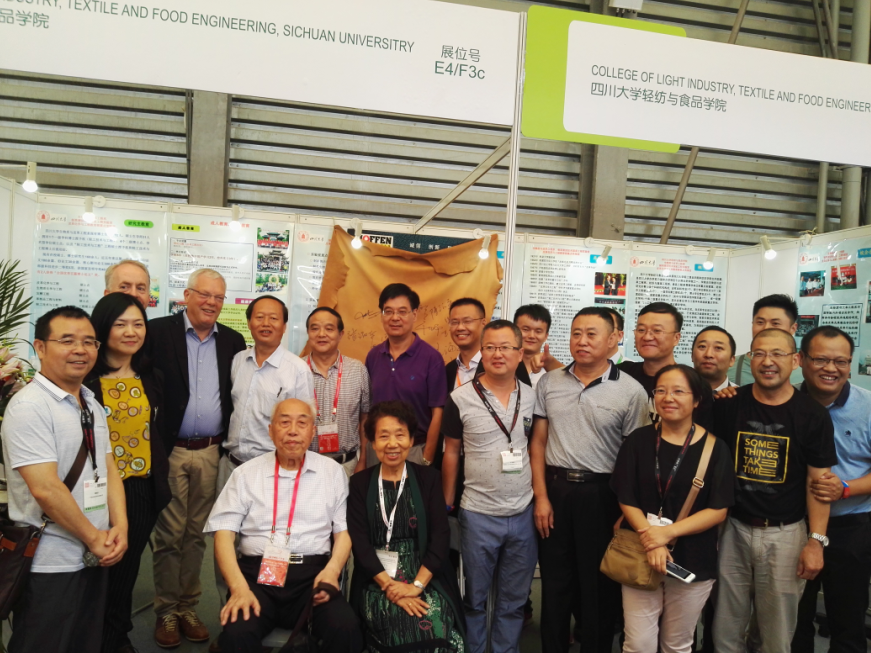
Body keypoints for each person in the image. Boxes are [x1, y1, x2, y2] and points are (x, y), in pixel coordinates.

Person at [1, 306, 127, 653]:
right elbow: (45, 489)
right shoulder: (30, 406)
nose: (80, 350)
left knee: (85, 642)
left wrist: (119, 526)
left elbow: (109, 468)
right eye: (67, 341)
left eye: (89, 342)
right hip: (50, 559)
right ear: (40, 347)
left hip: (95, 551)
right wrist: (95, 538)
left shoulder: (90, 401)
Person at [531, 306, 650, 653]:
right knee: (555, 583)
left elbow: (634, 458)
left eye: (591, 334)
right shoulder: (550, 382)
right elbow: (538, 442)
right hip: (555, 491)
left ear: (613, 340)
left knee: (598, 586)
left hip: (603, 494)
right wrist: (541, 497)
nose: (581, 341)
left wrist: (625, 509)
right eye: (576, 333)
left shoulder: (631, 391)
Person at [712, 328, 837, 653]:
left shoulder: (813, 414)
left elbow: (818, 485)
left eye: (778, 354)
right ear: (750, 359)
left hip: (786, 535)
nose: (768, 361)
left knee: (776, 637)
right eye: (759, 354)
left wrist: (816, 542)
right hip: (732, 529)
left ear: (795, 360)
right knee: (725, 630)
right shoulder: (728, 405)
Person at [206, 399, 362, 653]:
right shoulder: (246, 474)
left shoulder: (332, 472)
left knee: (345, 629)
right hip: (257, 578)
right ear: (271, 430)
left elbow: (343, 533)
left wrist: (332, 571)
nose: (293, 431)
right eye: (284, 422)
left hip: (312, 577)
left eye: (302, 423)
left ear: (313, 431)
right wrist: (238, 588)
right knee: (237, 635)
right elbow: (223, 534)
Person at [147, 268, 247, 647]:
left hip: (210, 452)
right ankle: (166, 611)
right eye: (204, 294)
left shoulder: (233, 341)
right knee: (169, 534)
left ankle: (188, 606)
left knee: (196, 536)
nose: (211, 303)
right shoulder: (158, 332)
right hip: (171, 450)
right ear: (187, 296)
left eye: (218, 297)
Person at [611, 364, 734, 653]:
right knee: (638, 643)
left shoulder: (716, 449)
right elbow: (626, 496)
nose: (668, 398)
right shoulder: (638, 441)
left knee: (677, 644)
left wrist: (665, 535)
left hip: (692, 558)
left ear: (697, 400)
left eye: (679, 391)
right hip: (639, 551)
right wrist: (651, 539)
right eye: (661, 391)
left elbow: (718, 509)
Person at [442, 320, 537, 653]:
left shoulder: (532, 396)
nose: (498, 354)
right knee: (475, 598)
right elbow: (451, 452)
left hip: (523, 513)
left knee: (513, 599)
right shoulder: (460, 398)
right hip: (478, 513)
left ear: (520, 353)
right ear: (481, 352)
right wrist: (447, 503)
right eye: (491, 347)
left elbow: (537, 447)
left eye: (506, 347)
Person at [85, 293, 171, 653]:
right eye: (121, 324)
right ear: (103, 327)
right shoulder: (84, 377)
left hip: (138, 491)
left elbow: (159, 432)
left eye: (138, 324)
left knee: (124, 570)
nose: (131, 331)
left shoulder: (152, 377)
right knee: (88, 570)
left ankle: (115, 639)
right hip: (91, 491)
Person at [348, 401, 465, 652]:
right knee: (394, 626)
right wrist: (391, 588)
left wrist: (415, 587)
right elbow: (360, 545)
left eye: (400, 435)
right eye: (383, 436)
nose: (392, 444)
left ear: (411, 440)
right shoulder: (359, 484)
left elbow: (440, 537)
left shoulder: (429, 478)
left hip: (424, 577)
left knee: (437, 626)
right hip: (378, 580)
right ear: (372, 442)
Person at [792, 326, 871, 653]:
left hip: (851, 525)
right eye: (821, 359)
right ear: (801, 360)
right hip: (794, 524)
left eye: (841, 361)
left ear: (850, 364)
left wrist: (846, 488)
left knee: (848, 620)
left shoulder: (868, 405)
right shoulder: (785, 401)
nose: (831, 368)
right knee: (794, 619)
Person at [365, 283, 446, 466]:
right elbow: (367, 407)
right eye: (388, 311)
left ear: (414, 314)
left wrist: (427, 456)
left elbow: (437, 413)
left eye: (402, 311)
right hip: (378, 450)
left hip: (415, 450)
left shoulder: (431, 358)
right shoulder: (374, 356)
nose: (395, 318)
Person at [620, 302, 713, 429]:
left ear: (676, 338)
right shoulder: (622, 373)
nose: (647, 337)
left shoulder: (695, 383)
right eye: (641, 330)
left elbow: (702, 433)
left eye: (657, 330)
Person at [303, 306, 370, 475]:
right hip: (305, 465)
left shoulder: (357, 370)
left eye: (329, 328)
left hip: (347, 465)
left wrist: (363, 460)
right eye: (315, 328)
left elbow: (365, 418)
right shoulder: (296, 370)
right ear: (308, 333)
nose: (321, 334)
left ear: (341, 334)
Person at [733, 294, 799, 386]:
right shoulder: (731, 366)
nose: (766, 328)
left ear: (793, 328)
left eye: (775, 323)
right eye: (760, 322)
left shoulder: (805, 372)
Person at [513, 304, 561, 389]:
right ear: (514, 331)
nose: (531, 336)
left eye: (538, 331)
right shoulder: (504, 364)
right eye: (525, 329)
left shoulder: (552, 370)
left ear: (546, 336)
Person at [692, 325, 737, 392]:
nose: (708, 354)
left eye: (718, 348)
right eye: (702, 346)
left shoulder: (740, 396)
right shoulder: (677, 393)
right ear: (692, 355)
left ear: (731, 360)